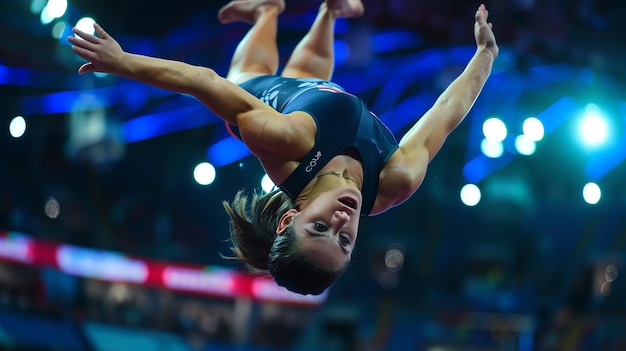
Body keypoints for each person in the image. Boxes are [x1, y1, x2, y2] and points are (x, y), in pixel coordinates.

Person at [68, 0, 499, 295]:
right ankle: (328, 13)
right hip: (319, 91)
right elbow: (445, 114)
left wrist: (123, 62)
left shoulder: (285, 145)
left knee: (245, 75)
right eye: (345, 241)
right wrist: (485, 54)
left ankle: (267, 10)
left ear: (290, 217)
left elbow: (204, 81)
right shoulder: (393, 181)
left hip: (267, 98)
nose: (341, 222)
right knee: (311, 73)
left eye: (318, 228)